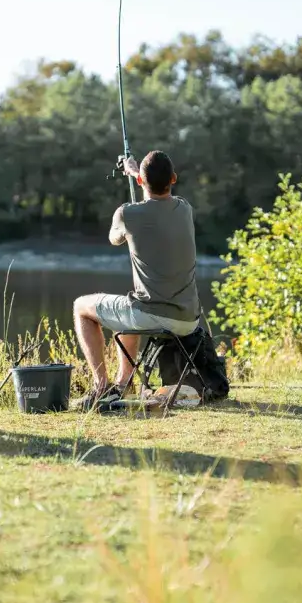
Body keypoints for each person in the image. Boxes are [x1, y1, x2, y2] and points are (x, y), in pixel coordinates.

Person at [72, 150, 200, 411]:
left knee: (81, 307)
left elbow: (114, 238)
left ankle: (101, 388)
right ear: (173, 179)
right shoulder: (185, 209)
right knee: (126, 307)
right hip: (189, 319)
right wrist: (133, 172)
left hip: (153, 315)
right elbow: (156, 202)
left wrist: (135, 190)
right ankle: (123, 383)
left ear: (141, 182)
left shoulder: (126, 213)